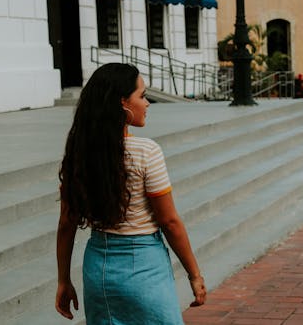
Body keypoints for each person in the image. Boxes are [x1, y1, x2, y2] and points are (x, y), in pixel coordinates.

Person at [55, 63, 206, 324]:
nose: (147, 103)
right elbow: (169, 222)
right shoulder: (146, 152)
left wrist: (63, 280)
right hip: (143, 267)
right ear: (122, 103)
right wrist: (194, 274)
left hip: (98, 269)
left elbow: (67, 222)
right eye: (142, 96)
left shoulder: (79, 153)